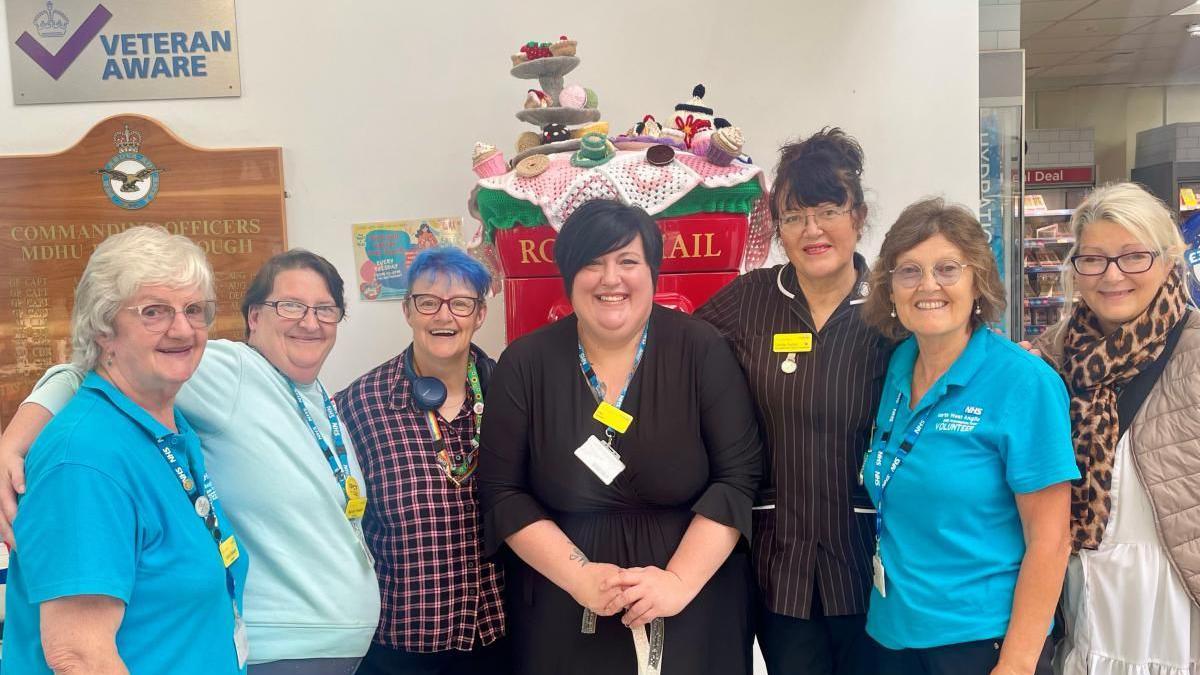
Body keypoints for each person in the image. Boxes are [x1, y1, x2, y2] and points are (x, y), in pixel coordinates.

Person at [0, 249, 381, 674]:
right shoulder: (231, 373)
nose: (310, 322)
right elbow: (78, 655)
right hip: (288, 649)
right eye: (289, 306)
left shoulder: (179, 422)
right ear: (254, 317)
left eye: (325, 309)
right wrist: (11, 442)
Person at [477, 199, 763, 675]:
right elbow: (502, 492)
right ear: (568, 276)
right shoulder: (526, 363)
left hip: (693, 604)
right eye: (592, 263)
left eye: (627, 261)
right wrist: (579, 575)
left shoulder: (701, 350)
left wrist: (676, 581)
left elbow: (738, 478)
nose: (611, 279)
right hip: (564, 605)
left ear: (653, 271)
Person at [1, 226, 250, 673]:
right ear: (103, 330)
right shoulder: (84, 459)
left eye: (194, 309)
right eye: (154, 312)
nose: (183, 328)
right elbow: (79, 656)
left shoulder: (165, 426)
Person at [694, 127, 891, 675]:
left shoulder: (893, 308)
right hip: (780, 561)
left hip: (875, 558)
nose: (812, 230)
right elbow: (678, 359)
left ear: (858, 215)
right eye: (793, 216)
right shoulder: (750, 300)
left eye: (827, 209)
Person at [859, 198, 1078, 675]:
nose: (928, 285)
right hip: (891, 636)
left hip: (984, 644)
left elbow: (1051, 540)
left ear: (978, 280)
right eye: (909, 271)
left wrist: (1018, 663)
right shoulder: (897, 368)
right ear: (890, 288)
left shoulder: (1024, 383)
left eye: (947, 268)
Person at [1033, 183, 1200, 675]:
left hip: (1174, 610)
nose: (1112, 276)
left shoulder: (1194, 353)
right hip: (1084, 601)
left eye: (1133, 257)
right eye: (1094, 259)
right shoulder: (1050, 360)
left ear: (1169, 261)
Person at [336, 247, 509, 675]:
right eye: (428, 302)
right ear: (408, 310)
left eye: (461, 303)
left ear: (480, 314)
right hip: (401, 644)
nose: (443, 317)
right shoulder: (358, 405)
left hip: (500, 637)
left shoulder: (511, 393)